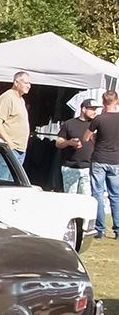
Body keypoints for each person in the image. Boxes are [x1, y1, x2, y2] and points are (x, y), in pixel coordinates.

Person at [87, 90, 119, 238]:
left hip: (100, 158)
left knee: (98, 194)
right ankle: (117, 229)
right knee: (115, 196)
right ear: (117, 101)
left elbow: (86, 137)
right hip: (115, 160)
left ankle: (100, 229)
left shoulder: (99, 119)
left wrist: (95, 137)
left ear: (103, 101)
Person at [56, 99, 99, 195]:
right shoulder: (69, 123)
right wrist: (69, 142)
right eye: (92, 109)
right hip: (70, 167)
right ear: (83, 109)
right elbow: (58, 142)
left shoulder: (96, 125)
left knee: (86, 198)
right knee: (71, 198)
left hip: (89, 168)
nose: (95, 112)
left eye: (95, 109)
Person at [0, 71, 32, 165]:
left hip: (20, 150)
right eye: (26, 83)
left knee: (15, 180)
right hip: (8, 149)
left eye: (29, 83)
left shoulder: (21, 100)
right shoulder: (7, 98)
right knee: (3, 179)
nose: (29, 86)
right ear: (16, 82)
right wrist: (9, 143)